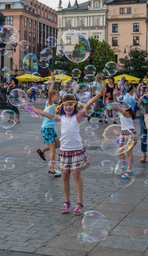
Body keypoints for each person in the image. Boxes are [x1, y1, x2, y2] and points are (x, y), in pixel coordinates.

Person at [31, 84, 106, 216]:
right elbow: (44, 113)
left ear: (75, 106)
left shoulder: (78, 117)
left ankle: (79, 202)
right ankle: (66, 202)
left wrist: (100, 94)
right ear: (62, 107)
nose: (68, 107)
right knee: (65, 177)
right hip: (64, 151)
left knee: (76, 176)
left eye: (71, 104)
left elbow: (88, 103)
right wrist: (30, 108)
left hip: (76, 150)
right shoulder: (60, 118)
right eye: (65, 105)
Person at [36, 73, 61, 177]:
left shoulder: (54, 105)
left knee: (58, 145)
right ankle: (51, 169)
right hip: (46, 128)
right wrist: (53, 80)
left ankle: (41, 150)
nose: (59, 97)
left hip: (51, 129)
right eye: (58, 96)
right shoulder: (50, 102)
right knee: (52, 148)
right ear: (53, 96)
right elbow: (50, 92)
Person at [111, 96, 138, 179]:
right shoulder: (123, 111)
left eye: (125, 104)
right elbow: (117, 106)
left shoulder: (127, 113)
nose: (122, 104)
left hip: (130, 134)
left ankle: (130, 170)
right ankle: (123, 166)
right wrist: (114, 94)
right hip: (123, 134)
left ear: (129, 106)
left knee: (129, 153)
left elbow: (117, 108)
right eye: (122, 103)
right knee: (120, 150)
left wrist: (112, 106)